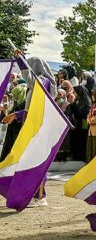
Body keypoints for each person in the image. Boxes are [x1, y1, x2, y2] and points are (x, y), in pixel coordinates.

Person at [3, 55, 58, 206]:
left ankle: (40, 196)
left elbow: (32, 80)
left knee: (37, 162)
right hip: (33, 126)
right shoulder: (35, 87)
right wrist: (16, 115)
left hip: (41, 128)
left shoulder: (45, 83)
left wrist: (21, 61)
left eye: (30, 66)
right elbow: (31, 110)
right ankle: (33, 194)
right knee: (28, 161)